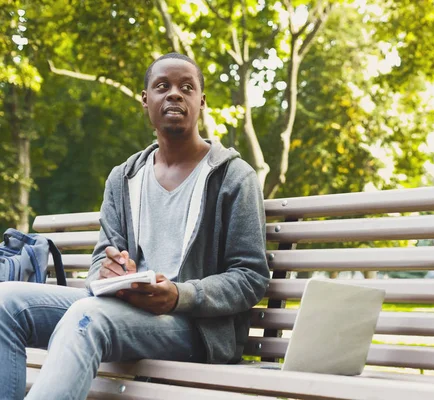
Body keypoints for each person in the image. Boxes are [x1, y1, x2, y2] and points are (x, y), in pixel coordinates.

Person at [0, 52, 270, 399]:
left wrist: (178, 295)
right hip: (120, 310)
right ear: (146, 100)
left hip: (193, 328)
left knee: (88, 316)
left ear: (201, 102)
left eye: (186, 87)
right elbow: (101, 260)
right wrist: (110, 273)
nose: (174, 94)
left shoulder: (234, 176)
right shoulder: (124, 177)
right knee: (5, 302)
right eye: (162, 86)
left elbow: (250, 277)